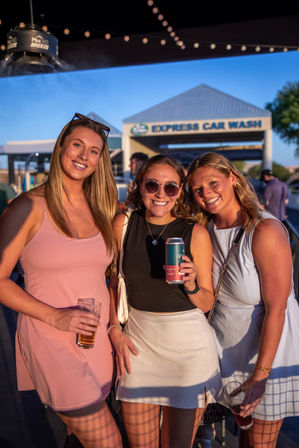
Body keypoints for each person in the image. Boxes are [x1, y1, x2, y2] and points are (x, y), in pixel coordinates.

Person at [0, 113, 122, 448]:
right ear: (61, 148)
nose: (84, 156)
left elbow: (106, 274)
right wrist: (56, 316)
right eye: (78, 145)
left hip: (94, 339)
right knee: (107, 441)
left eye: (94, 151)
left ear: (100, 161)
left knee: (76, 438)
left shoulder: (101, 207)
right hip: (49, 335)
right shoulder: (27, 207)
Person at [108, 154, 221, 448]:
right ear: (139, 185)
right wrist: (113, 328)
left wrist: (192, 284)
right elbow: (110, 280)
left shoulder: (194, 232)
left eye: (170, 187)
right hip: (139, 346)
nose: (161, 194)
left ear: (180, 190)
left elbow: (207, 303)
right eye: (152, 185)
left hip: (188, 352)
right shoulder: (123, 223)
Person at [188, 152, 299, 448]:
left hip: (265, 356)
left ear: (233, 179)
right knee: (244, 440)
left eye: (213, 183)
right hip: (227, 353)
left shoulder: (264, 229)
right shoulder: (204, 231)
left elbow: (278, 309)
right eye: (197, 189)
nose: (206, 194)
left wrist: (261, 375)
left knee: (259, 444)